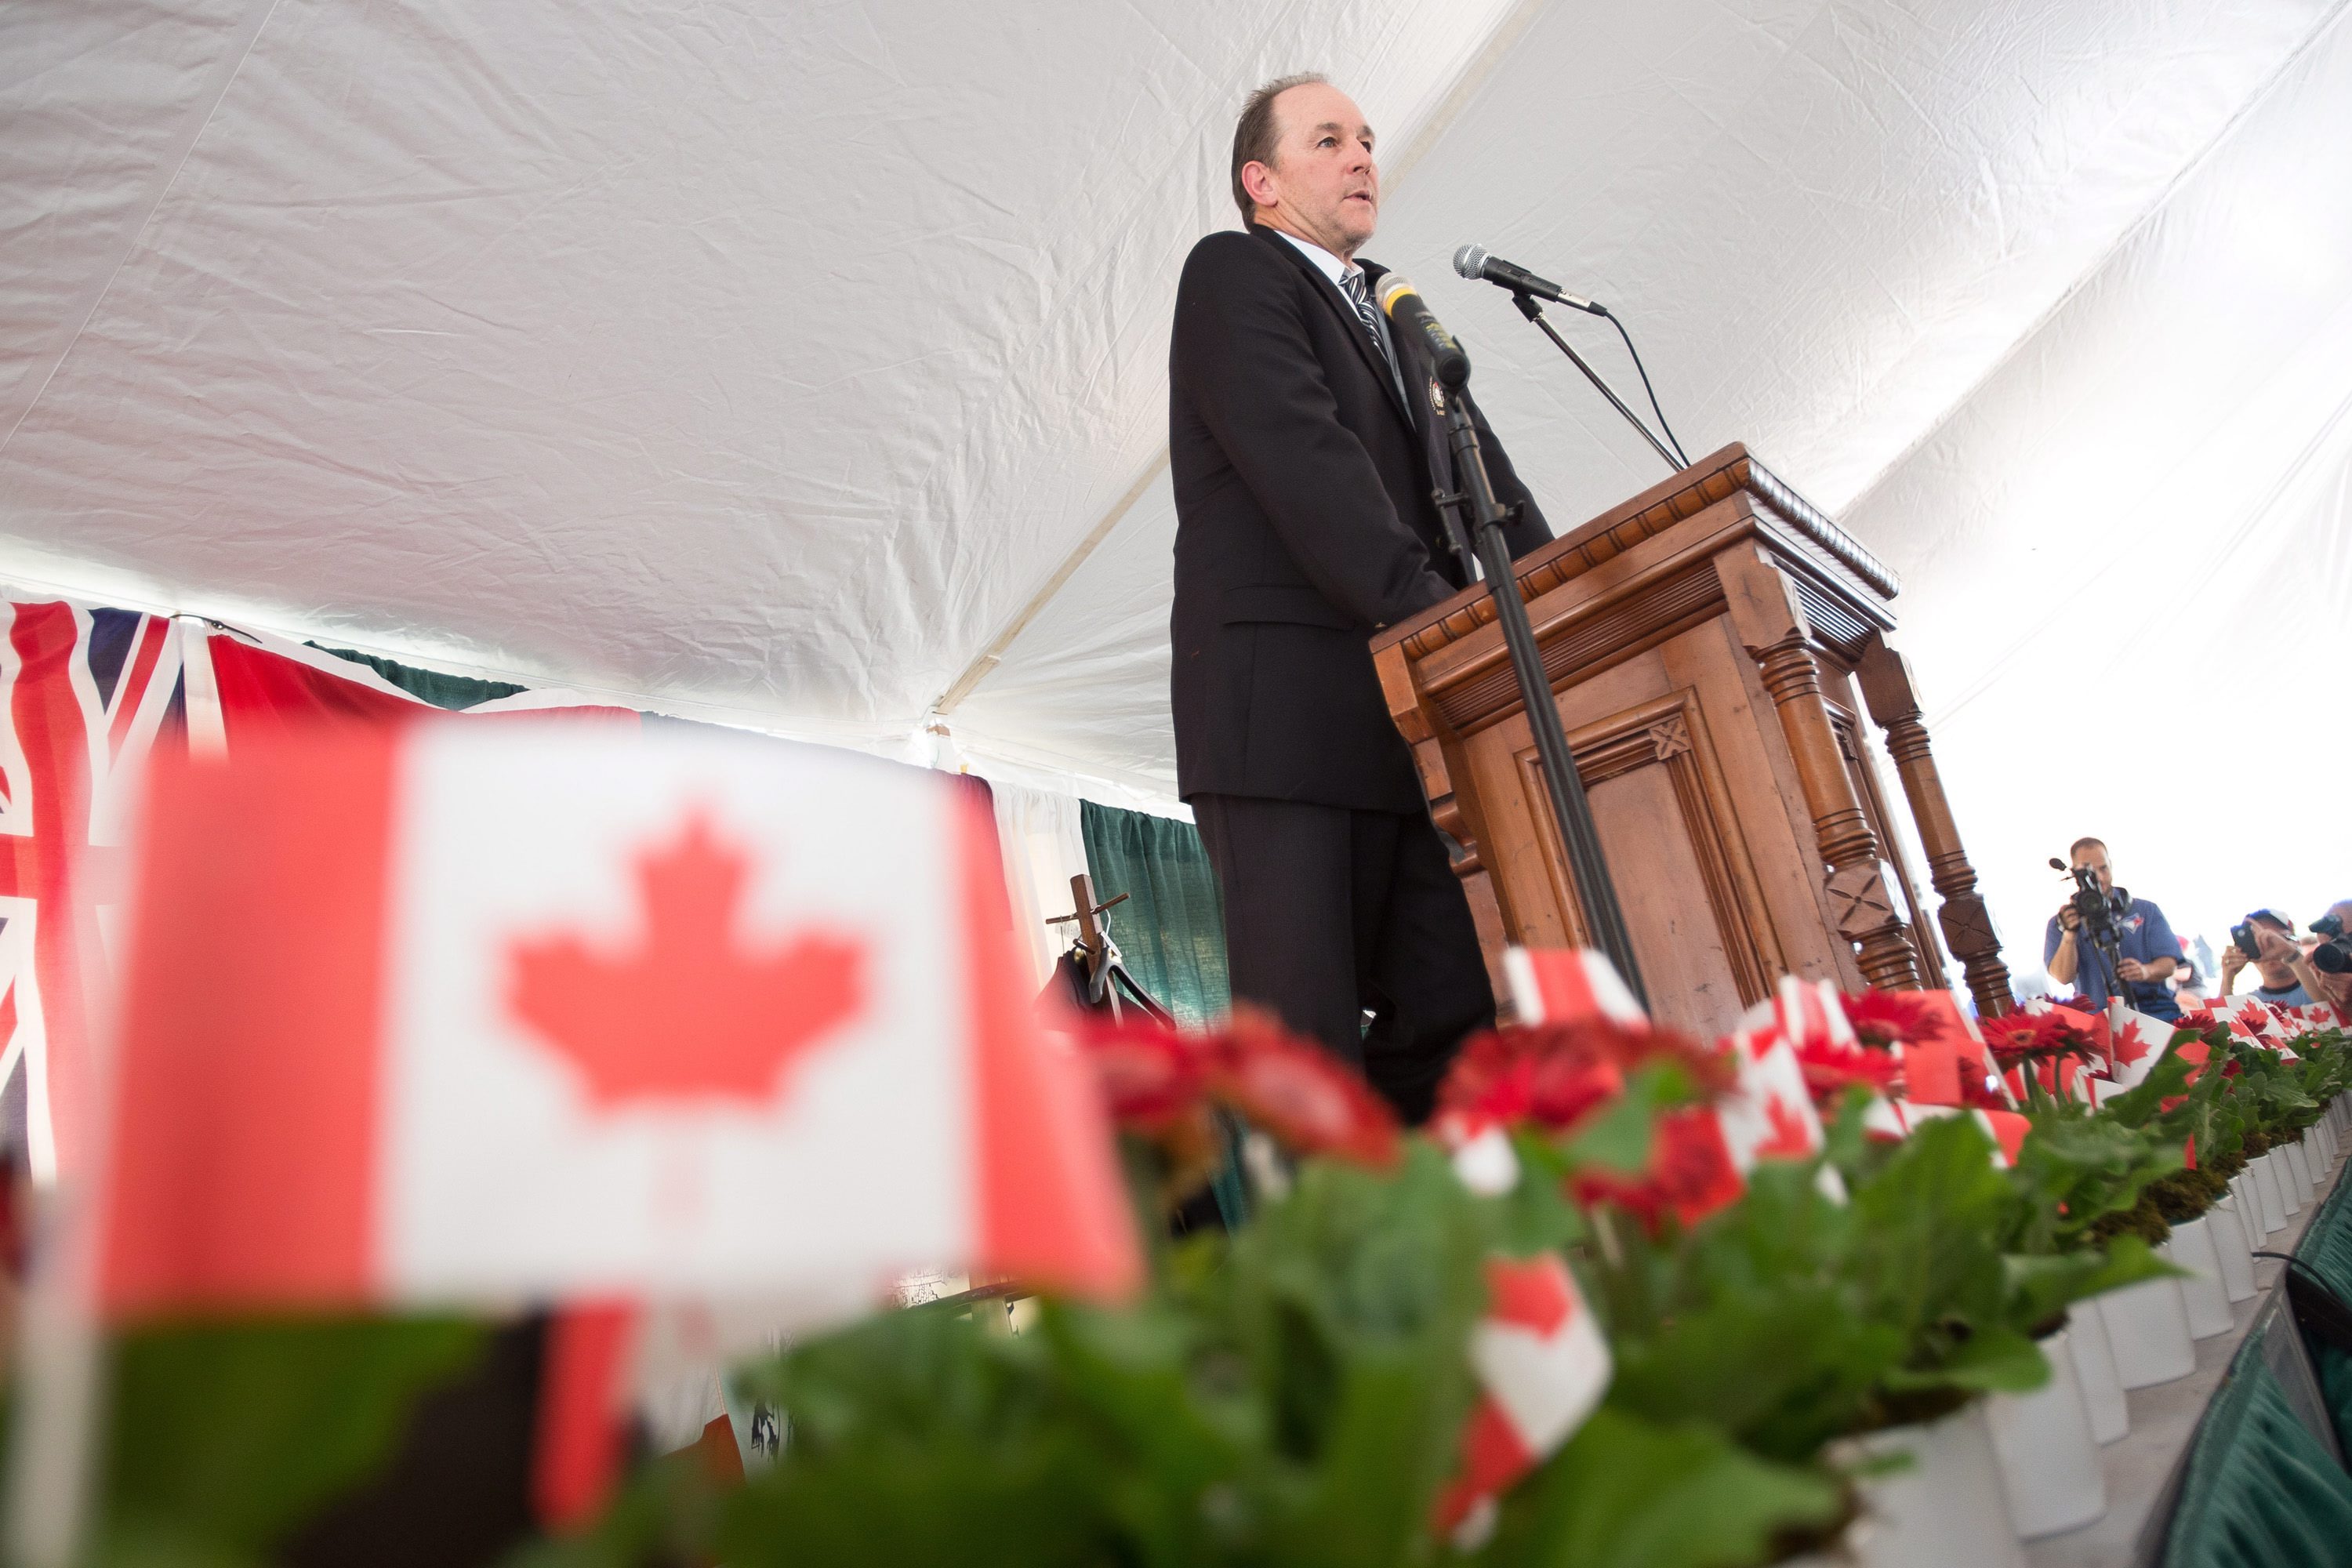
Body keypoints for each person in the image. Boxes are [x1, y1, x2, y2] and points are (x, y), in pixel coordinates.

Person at [1167, 73, 1552, 1122]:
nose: (1361, 157)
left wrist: (1558, 620)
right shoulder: (1235, 274)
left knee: (1460, 1017)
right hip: (1285, 728)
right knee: (1307, 1052)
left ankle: (1437, 1259)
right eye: (1328, 139)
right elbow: (1309, 465)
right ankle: (1316, 1278)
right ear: (1262, 181)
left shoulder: (1397, 311)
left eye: (1368, 139)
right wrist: (1452, 627)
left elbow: (1493, 495)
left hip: (1407, 726)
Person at [2044, 837, 2181, 1019]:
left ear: (2111, 865)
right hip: (2099, 1020)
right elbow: (2063, 976)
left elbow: (2169, 965)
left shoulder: (2146, 910)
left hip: (2156, 1014)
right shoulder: (2060, 923)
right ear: (2075, 872)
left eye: (2103, 868)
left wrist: (2145, 971)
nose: (2099, 877)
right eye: (2090, 871)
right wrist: (2070, 934)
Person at [2220, 909, 2318, 1007]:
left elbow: (2329, 1005)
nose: (2266, 948)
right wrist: (2227, 979)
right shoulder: (2251, 1005)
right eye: (2256, 943)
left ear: (2294, 941)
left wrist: (2291, 955)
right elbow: (2221, 1020)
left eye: (2272, 939)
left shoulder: (2324, 985)